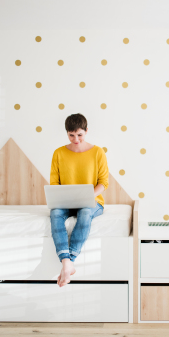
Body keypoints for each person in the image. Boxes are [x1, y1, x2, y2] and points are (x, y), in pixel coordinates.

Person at [49, 113, 109, 287]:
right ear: (67, 133)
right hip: (66, 201)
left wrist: (88, 196)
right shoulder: (59, 153)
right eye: (71, 135)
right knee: (55, 214)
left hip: (92, 201)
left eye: (80, 135)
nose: (76, 139)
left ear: (86, 131)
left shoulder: (98, 152)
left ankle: (69, 259)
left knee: (84, 213)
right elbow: (55, 183)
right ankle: (66, 262)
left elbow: (104, 183)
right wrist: (62, 198)